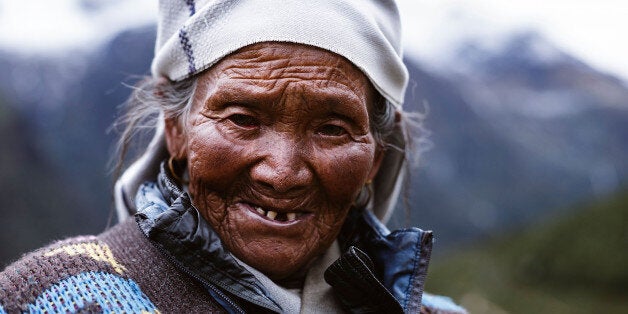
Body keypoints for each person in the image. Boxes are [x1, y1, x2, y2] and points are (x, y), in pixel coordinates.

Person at [0, 0, 466, 313]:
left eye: (332, 128)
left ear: (377, 157)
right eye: (242, 118)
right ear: (176, 129)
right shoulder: (46, 299)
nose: (282, 173)